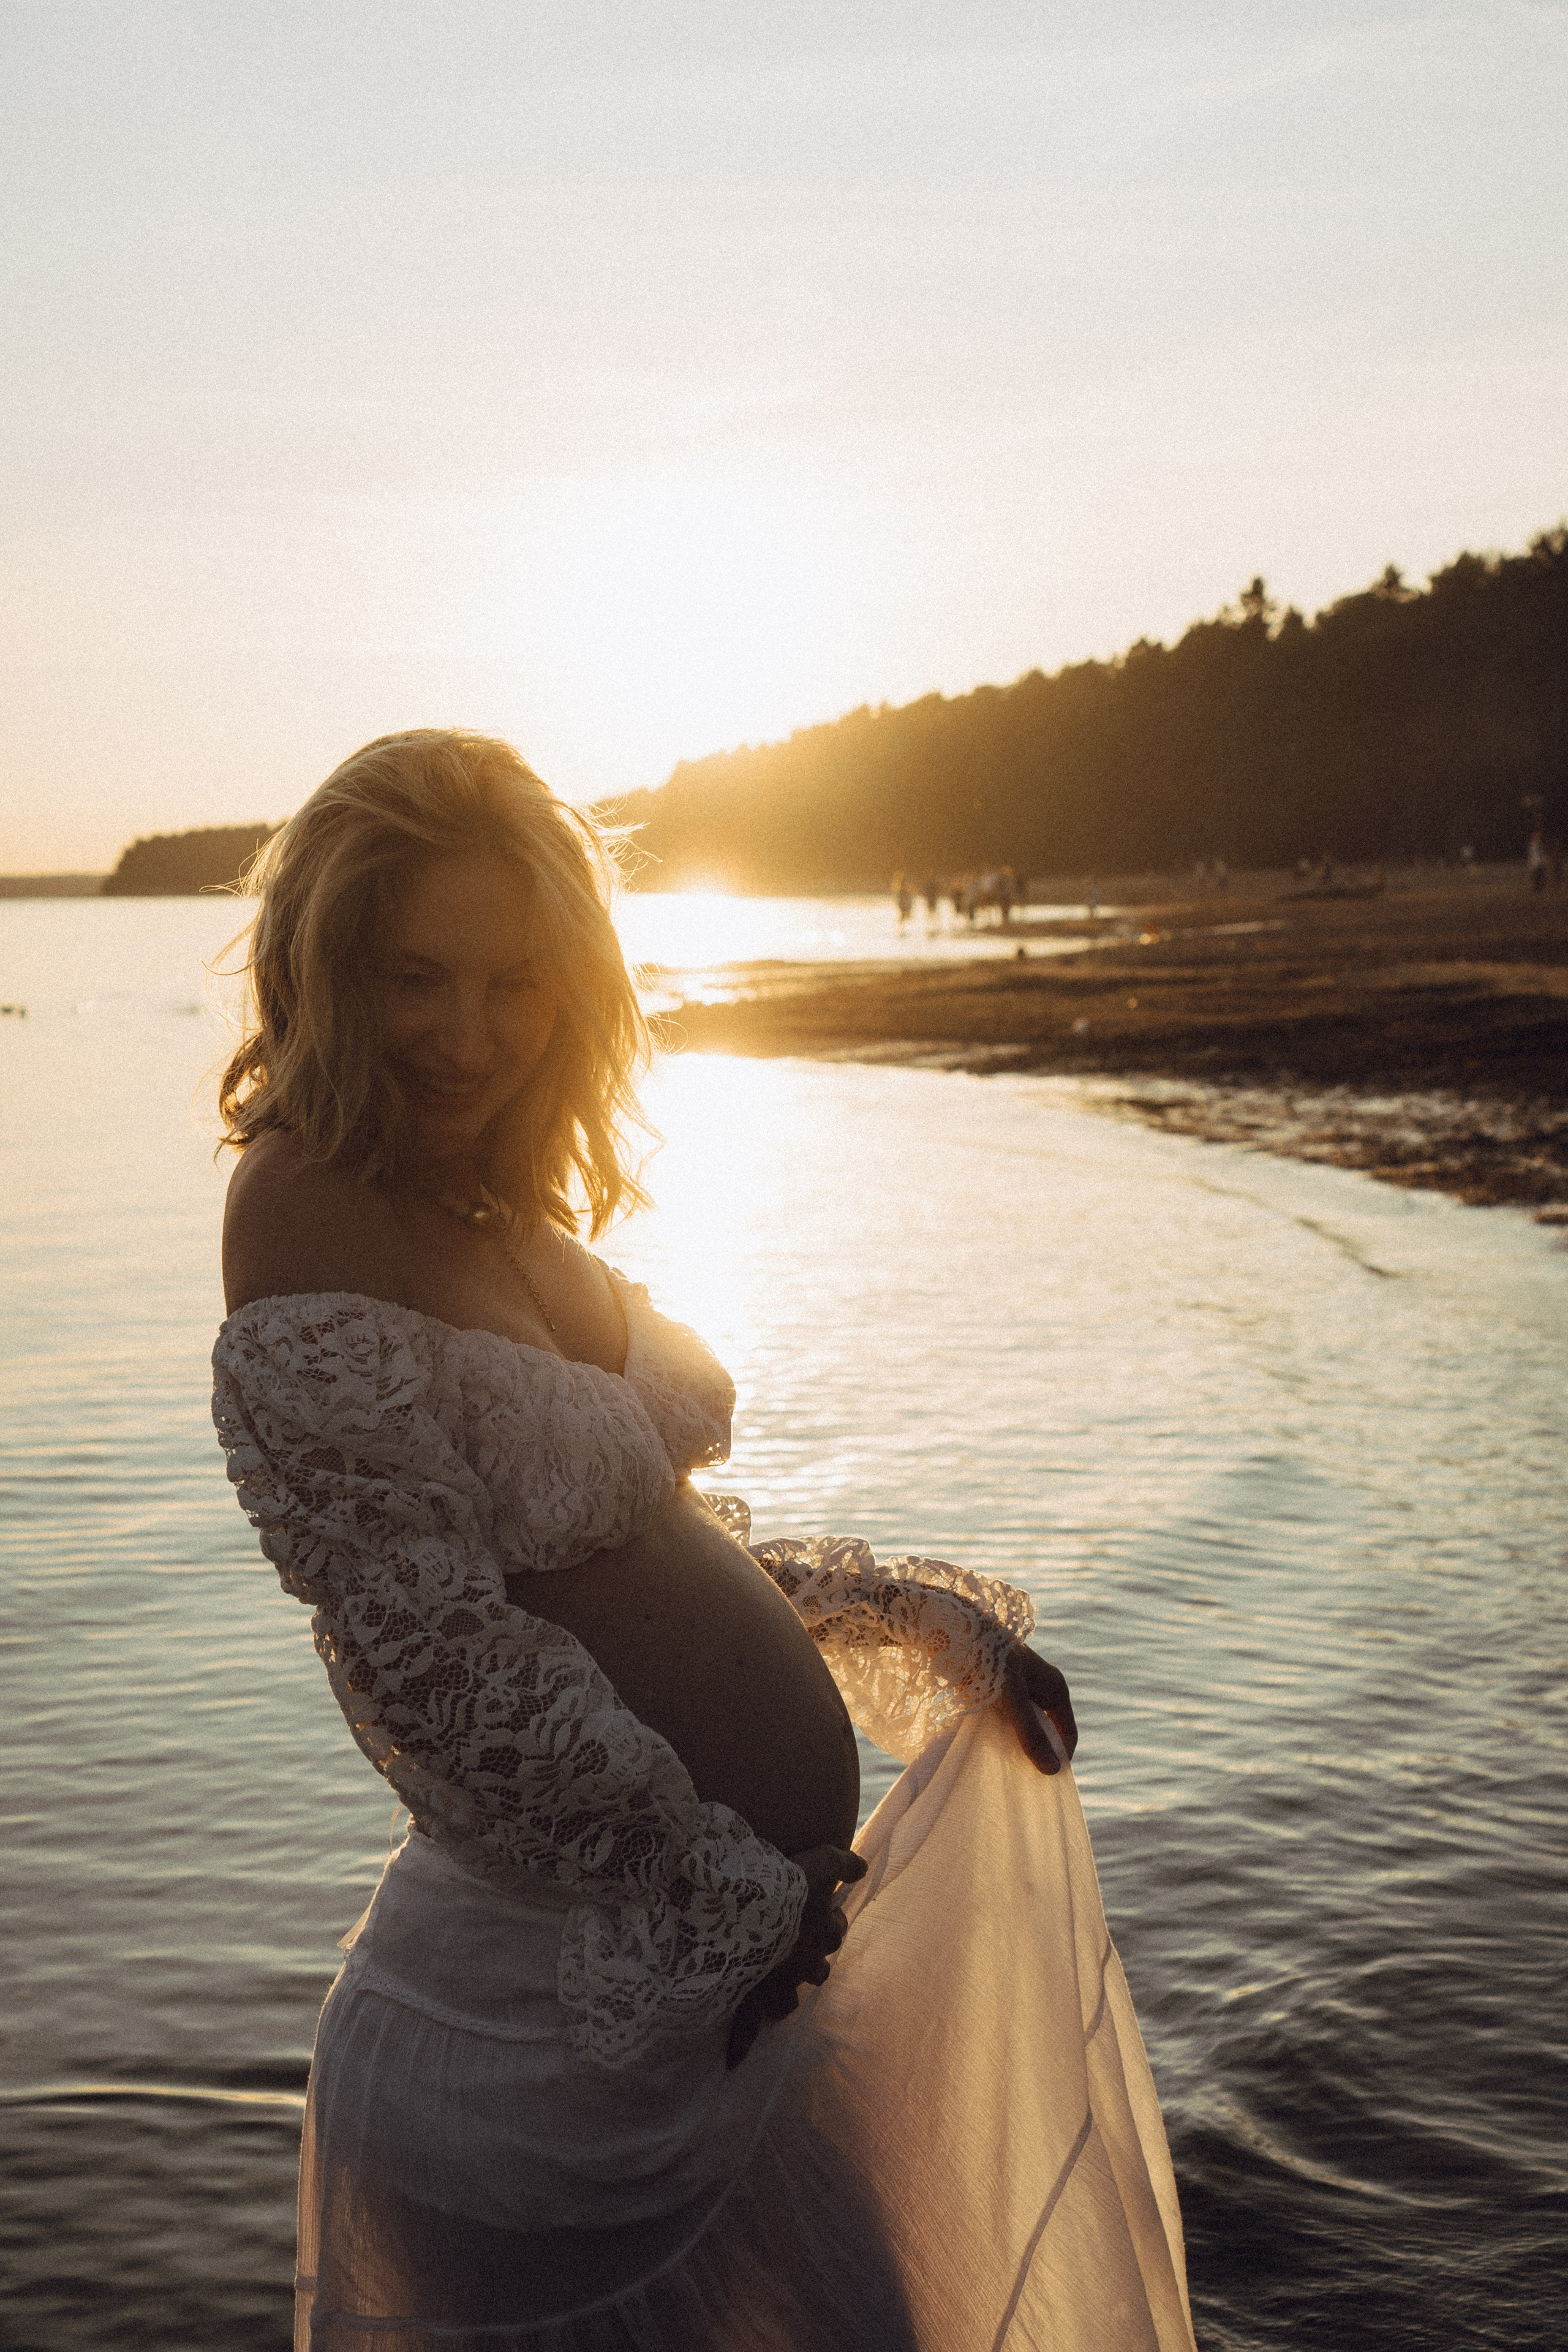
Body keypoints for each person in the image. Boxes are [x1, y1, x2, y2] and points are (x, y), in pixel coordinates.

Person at [212, 730, 1196, 2351]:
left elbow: (619, 1558)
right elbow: (429, 1658)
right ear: (327, 971)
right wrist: (716, 1888)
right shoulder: (308, 1204)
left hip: (693, 2007)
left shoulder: (483, 1201)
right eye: (414, 979)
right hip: (537, 2055)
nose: (470, 1034)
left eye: (515, 982)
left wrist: (912, 1621)